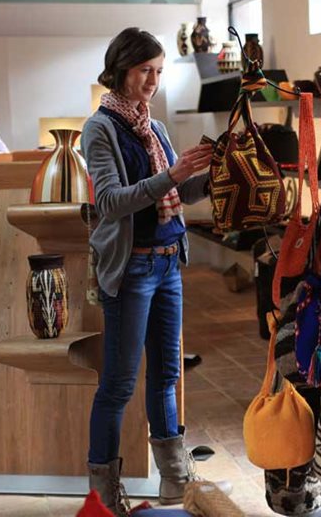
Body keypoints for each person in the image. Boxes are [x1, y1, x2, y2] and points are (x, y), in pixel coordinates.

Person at [82, 27, 228, 515]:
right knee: (119, 385)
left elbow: (177, 194)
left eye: (159, 71)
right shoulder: (99, 128)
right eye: (145, 70)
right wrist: (174, 173)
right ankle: (103, 494)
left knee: (166, 375)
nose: (153, 81)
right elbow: (110, 202)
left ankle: (174, 481)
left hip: (167, 263)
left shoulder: (155, 127)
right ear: (120, 69)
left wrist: (212, 176)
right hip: (132, 269)